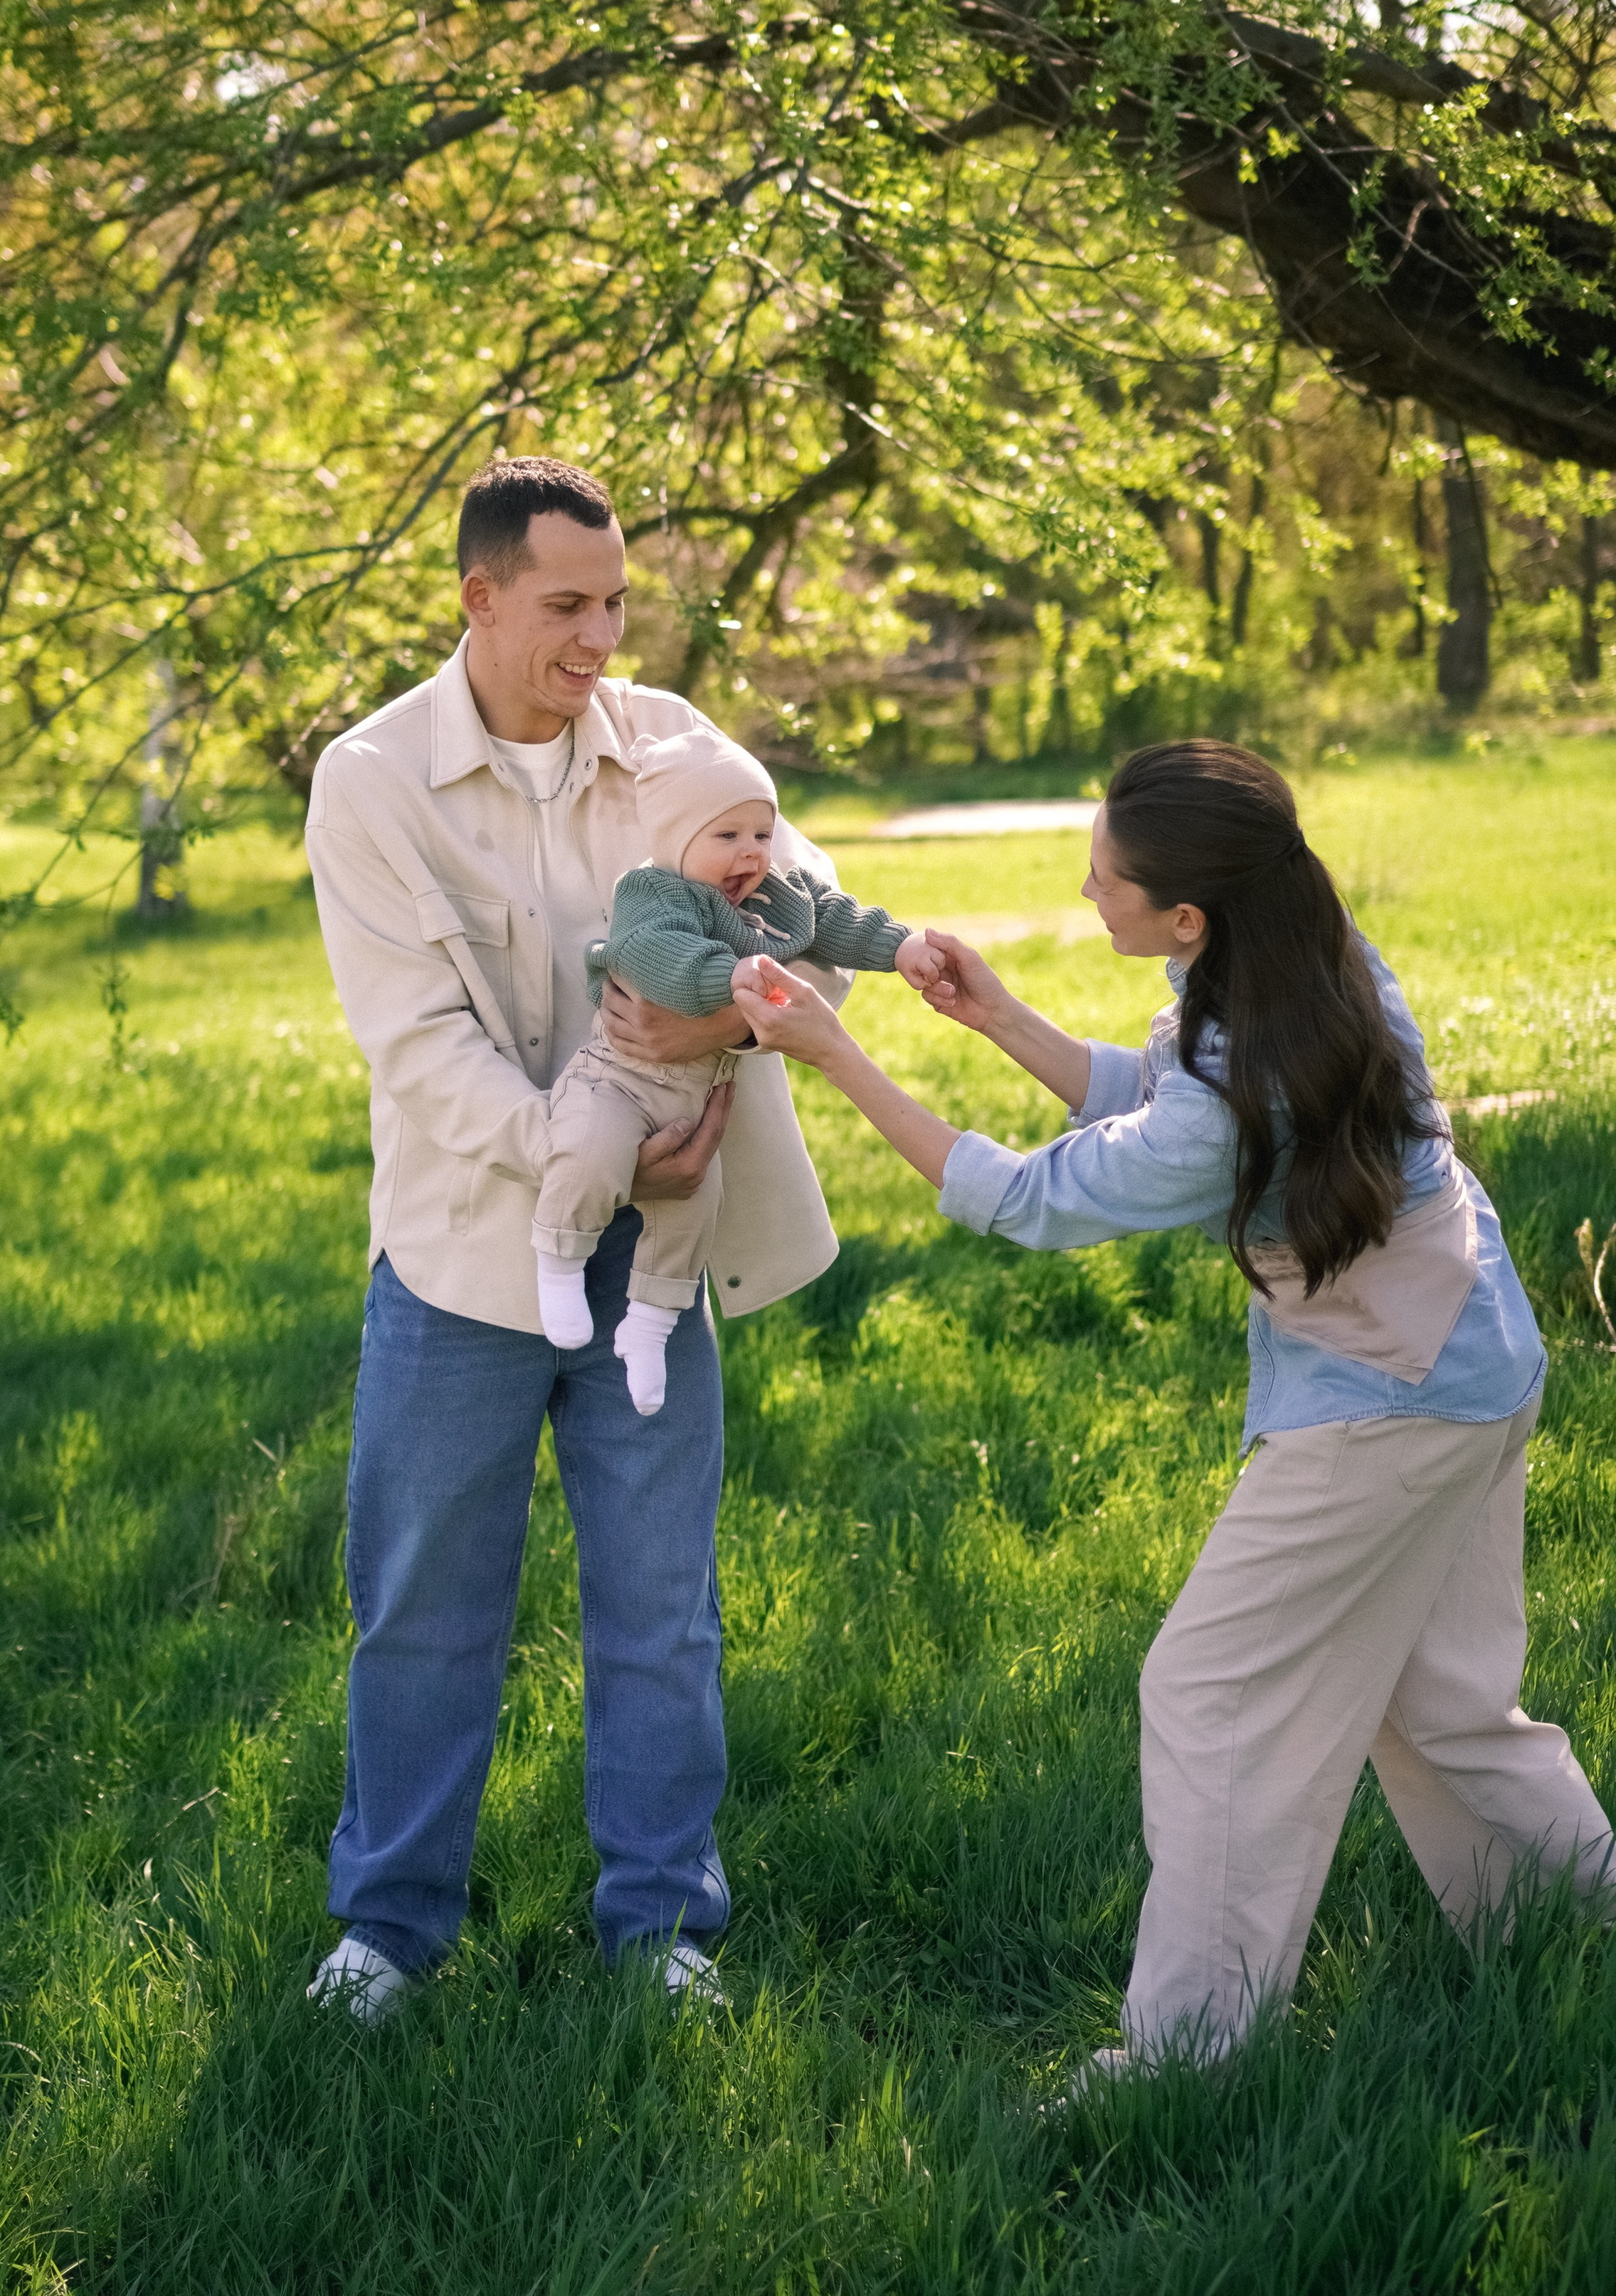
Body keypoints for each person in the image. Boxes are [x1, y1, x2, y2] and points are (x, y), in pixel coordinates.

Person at [735, 738, 1613, 2072]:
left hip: (1390, 1401)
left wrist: (835, 1052)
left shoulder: (1246, 1041)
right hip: (1476, 1353)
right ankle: (1576, 1927)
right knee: (1439, 1700)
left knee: (1213, 1694)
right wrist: (998, 1018)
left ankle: (1188, 2054)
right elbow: (1169, 1101)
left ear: (1186, 915)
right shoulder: (1298, 950)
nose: (1088, 892)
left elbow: (1033, 1197)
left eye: (1104, 878)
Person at [302, 455, 852, 2019]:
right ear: (476, 601)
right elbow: (415, 1047)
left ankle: (660, 1926)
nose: (600, 637)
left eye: (616, 601)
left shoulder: (675, 747)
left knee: (658, 1603)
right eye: (564, 605)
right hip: (461, 1262)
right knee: (422, 1604)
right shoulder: (373, 779)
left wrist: (704, 1071)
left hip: (662, 1259)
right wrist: (597, 1154)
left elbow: (814, 938)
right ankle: (390, 1931)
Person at [534, 722, 938, 1411]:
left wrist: (900, 948)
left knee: (694, 1210)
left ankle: (649, 1327)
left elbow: (832, 921)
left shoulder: (768, 893)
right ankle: (559, 1259)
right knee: (589, 1149)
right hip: (620, 1082)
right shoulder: (653, 894)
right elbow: (666, 965)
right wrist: (737, 975)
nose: (750, 853)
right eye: (727, 837)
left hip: (697, 1099)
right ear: (675, 839)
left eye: (760, 833)